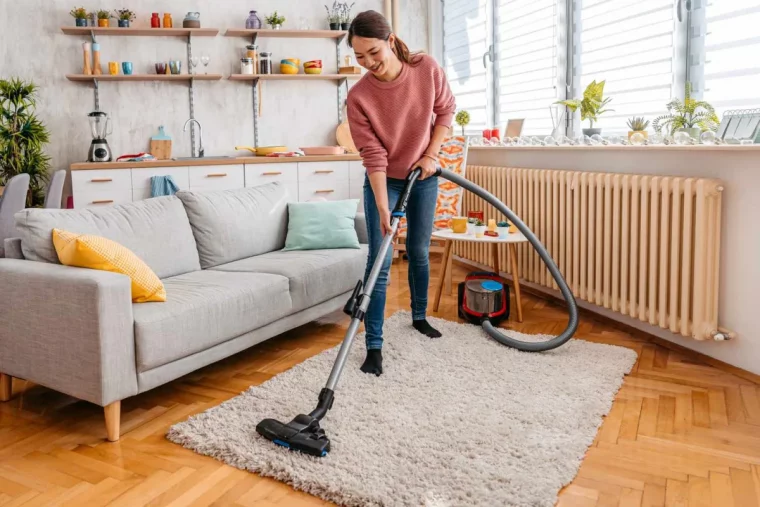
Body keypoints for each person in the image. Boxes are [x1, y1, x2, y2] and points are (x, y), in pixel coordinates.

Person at [346, 10, 456, 376]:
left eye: (374, 52)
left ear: (390, 41)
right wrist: (381, 207)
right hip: (385, 181)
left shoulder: (426, 68)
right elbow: (373, 155)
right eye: (360, 57)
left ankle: (419, 316)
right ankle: (373, 346)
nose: (368, 63)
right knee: (379, 262)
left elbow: (445, 111)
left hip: (423, 176)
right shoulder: (359, 96)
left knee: (420, 252)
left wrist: (431, 154)